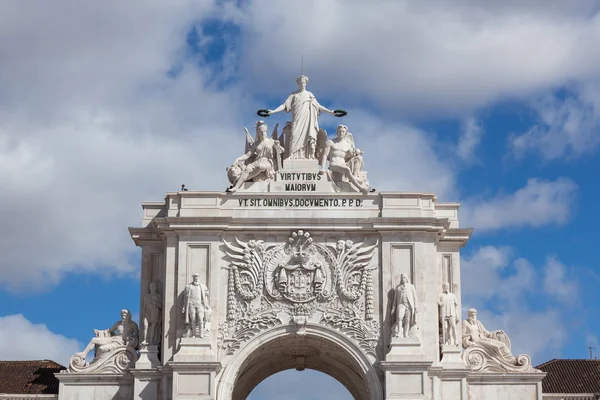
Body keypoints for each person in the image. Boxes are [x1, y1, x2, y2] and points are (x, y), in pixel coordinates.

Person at [266, 75, 338, 160]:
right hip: (297, 118)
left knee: (308, 136)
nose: (302, 84)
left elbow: (318, 106)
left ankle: (307, 156)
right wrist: (273, 111)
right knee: (294, 135)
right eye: (300, 82)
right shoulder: (293, 95)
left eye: (304, 82)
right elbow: (285, 105)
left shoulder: (309, 95)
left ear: (306, 83)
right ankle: (293, 155)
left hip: (307, 120)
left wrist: (330, 112)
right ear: (298, 83)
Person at [228, 121, 280, 192]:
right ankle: (236, 187)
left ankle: (244, 179)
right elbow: (247, 155)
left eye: (264, 131)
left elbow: (281, 150)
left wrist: (278, 146)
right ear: (258, 132)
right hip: (257, 161)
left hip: (267, 161)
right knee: (247, 168)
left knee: (260, 167)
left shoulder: (271, 141)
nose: (263, 133)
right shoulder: (255, 144)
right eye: (261, 132)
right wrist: (238, 159)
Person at [320, 125, 369, 193]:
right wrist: (322, 168)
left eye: (343, 131)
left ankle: (354, 176)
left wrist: (357, 153)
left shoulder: (348, 145)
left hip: (343, 164)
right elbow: (325, 155)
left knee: (358, 158)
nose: (341, 133)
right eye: (339, 131)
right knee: (347, 169)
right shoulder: (330, 142)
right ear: (337, 132)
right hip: (334, 164)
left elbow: (350, 157)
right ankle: (360, 188)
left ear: (346, 133)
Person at [182, 273, 211, 338]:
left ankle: (201, 333)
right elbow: (185, 298)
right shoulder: (188, 287)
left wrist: (206, 305)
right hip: (191, 304)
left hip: (200, 305)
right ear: (193, 278)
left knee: (201, 318)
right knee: (193, 319)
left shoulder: (203, 286)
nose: (196, 279)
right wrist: (184, 307)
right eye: (195, 278)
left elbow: (205, 297)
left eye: (197, 278)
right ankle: (194, 334)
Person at [391, 273, 418, 338]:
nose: (403, 279)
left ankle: (406, 334)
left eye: (404, 277)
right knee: (400, 318)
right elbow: (395, 299)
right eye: (402, 277)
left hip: (408, 305)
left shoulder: (411, 287)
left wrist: (416, 307)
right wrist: (393, 308)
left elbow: (415, 297)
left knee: (407, 320)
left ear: (406, 278)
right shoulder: (398, 288)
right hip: (401, 305)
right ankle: (399, 332)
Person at [142, 281, 162, 346]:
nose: (153, 288)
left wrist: (156, 303)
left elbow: (162, 306)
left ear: (156, 288)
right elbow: (144, 307)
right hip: (147, 313)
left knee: (153, 327)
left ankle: (151, 341)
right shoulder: (146, 297)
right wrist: (143, 316)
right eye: (151, 287)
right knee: (145, 326)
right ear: (150, 288)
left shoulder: (158, 296)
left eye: (154, 286)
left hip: (155, 312)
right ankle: (145, 340)